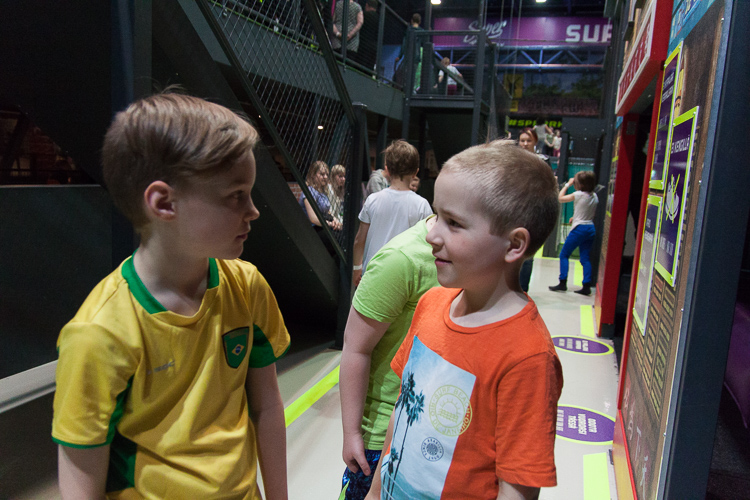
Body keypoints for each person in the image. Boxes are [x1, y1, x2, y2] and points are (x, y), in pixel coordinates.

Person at [52, 93, 290, 499]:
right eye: (236, 195)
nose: (253, 210)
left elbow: (266, 406)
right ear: (163, 203)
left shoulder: (248, 287)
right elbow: (81, 462)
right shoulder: (99, 333)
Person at [365, 139, 563, 500]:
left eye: (454, 223)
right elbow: (403, 411)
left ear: (514, 245)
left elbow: (516, 488)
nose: (431, 234)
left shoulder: (528, 357)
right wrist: (375, 491)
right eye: (437, 216)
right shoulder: (430, 304)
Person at [339, 215, 440, 500]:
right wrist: (352, 432)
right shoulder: (402, 259)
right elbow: (356, 347)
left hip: (434, 434)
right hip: (384, 434)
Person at [352, 140, 432, 285]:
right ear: (415, 172)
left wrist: (357, 267)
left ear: (387, 170)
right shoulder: (422, 205)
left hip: (372, 275)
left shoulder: (372, 200)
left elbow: (359, 239)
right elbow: (427, 245)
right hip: (404, 279)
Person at [549, 171, 598, 295]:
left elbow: (560, 198)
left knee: (564, 254)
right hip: (590, 228)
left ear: (580, 184)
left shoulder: (578, 195)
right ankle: (586, 285)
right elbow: (587, 211)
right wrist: (574, 217)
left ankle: (562, 282)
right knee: (585, 258)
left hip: (579, 229)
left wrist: (567, 185)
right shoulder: (594, 196)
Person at [517, 127, 550, 292]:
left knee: (527, 252)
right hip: (512, 211)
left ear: (535, 142)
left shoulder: (542, 162)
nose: (524, 144)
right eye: (522, 140)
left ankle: (523, 290)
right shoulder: (512, 161)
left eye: (528, 140)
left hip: (532, 212)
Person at [300, 160, 342, 232]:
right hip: (311, 230)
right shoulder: (310, 191)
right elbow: (313, 219)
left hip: (323, 226)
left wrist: (335, 220)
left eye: (327, 174)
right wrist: (330, 224)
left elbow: (327, 212)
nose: (325, 177)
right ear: (313, 175)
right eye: (322, 174)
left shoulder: (323, 192)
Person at [357, 0, 379, 71]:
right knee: (369, 70)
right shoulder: (379, 19)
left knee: (360, 68)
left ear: (367, 5)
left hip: (363, 45)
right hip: (374, 47)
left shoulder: (364, 15)